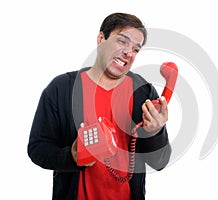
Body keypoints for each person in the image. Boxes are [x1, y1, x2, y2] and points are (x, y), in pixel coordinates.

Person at [27, 12, 171, 200]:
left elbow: (160, 162)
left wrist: (155, 132)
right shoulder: (61, 88)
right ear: (101, 38)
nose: (129, 52)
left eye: (136, 49)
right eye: (122, 41)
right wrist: (72, 156)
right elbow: (37, 149)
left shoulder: (142, 92)